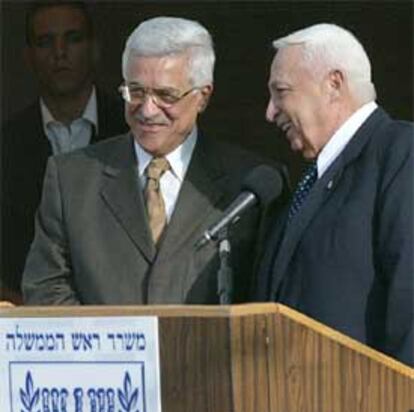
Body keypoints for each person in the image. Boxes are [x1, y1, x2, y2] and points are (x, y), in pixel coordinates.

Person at [22, 16, 286, 305]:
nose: (147, 110)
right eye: (135, 92)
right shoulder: (70, 178)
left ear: (203, 97)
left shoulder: (251, 185)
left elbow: (265, 300)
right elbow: (46, 289)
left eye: (166, 95)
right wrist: (113, 348)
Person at [254, 23, 413, 366]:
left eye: (281, 91)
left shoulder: (400, 152)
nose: (270, 112)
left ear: (333, 85)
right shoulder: (312, 178)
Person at [1, 1, 126, 303]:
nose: (60, 53)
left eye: (73, 39)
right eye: (45, 42)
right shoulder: (6, 145)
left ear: (94, 48)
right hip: (27, 322)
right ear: (28, 56)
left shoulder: (133, 129)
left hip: (122, 321)